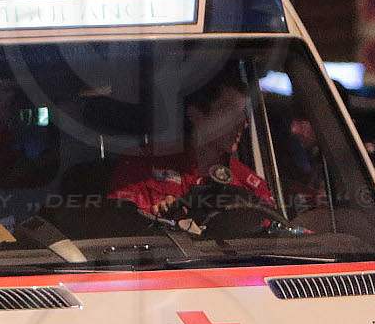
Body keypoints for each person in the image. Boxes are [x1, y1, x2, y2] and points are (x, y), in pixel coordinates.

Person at [108, 68, 275, 231]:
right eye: (229, 113)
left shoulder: (250, 184)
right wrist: (156, 214)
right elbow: (116, 224)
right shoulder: (140, 167)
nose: (243, 123)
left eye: (243, 115)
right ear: (196, 114)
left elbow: (275, 233)